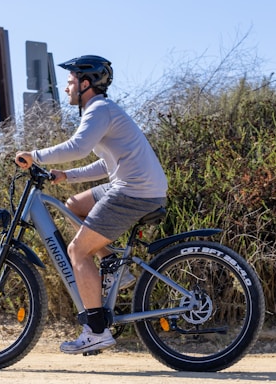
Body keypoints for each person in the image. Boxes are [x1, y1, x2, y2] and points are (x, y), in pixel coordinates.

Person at [15, 55, 167, 354]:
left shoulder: (98, 109)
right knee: (74, 204)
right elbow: (106, 163)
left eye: (71, 82)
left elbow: (78, 147)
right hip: (136, 186)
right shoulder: (103, 111)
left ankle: (96, 330)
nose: (67, 87)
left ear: (85, 84)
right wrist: (66, 176)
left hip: (134, 191)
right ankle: (112, 264)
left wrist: (35, 155)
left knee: (77, 250)